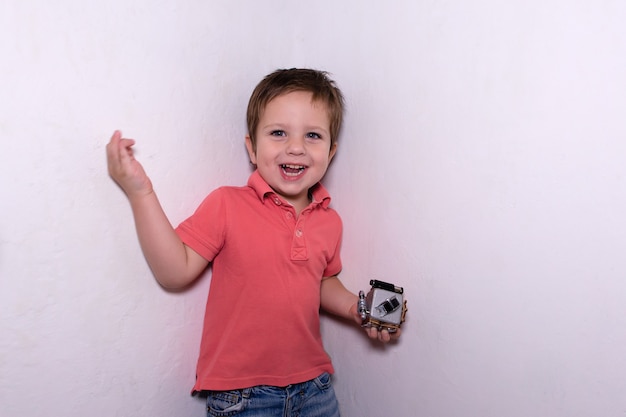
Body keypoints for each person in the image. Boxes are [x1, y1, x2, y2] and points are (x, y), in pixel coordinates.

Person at [106, 68, 401, 417]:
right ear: (252, 146)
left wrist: (357, 309)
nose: (295, 147)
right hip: (243, 397)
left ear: (331, 151)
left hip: (315, 389)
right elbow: (175, 271)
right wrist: (141, 193)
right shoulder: (227, 205)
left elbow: (320, 282)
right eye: (278, 133)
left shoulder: (329, 221)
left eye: (313, 136)